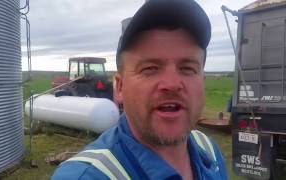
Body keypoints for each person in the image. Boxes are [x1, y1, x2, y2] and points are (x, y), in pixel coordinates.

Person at [52, 0, 228, 179]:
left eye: (188, 68)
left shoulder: (208, 149)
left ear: (202, 82)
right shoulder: (87, 175)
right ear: (120, 87)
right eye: (150, 68)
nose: (172, 83)